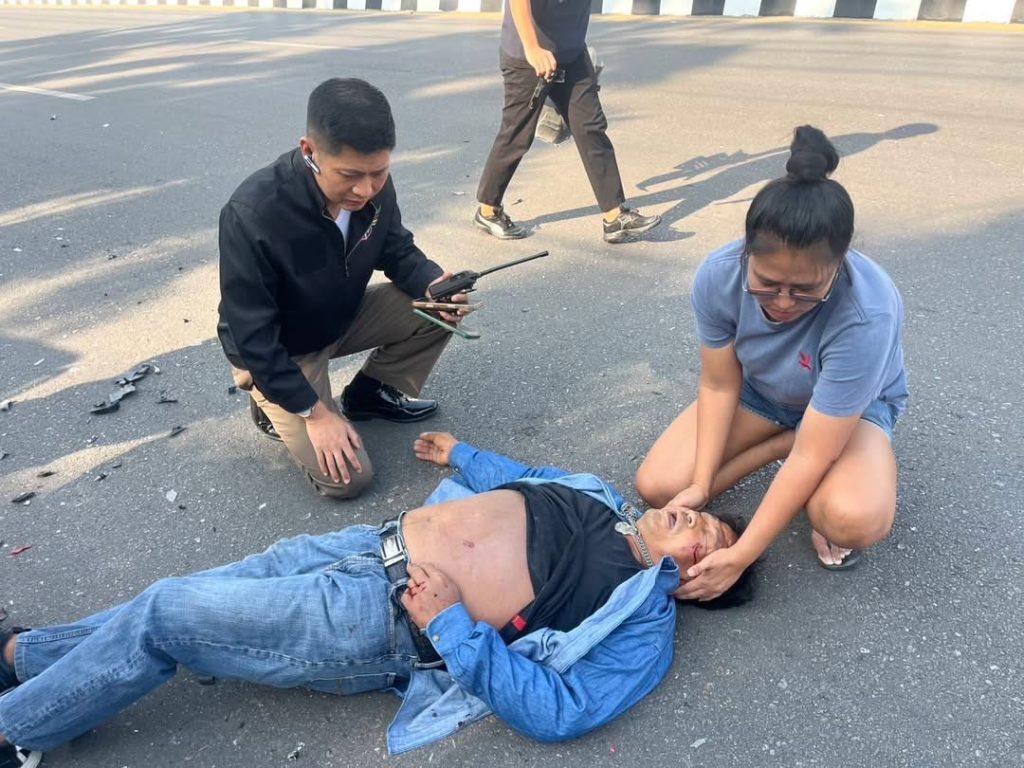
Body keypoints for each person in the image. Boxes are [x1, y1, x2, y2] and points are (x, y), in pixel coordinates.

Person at [0, 433, 755, 765]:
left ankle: (17, 729)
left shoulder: (643, 623)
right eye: (704, 515)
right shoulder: (599, 496)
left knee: (170, 613)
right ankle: (24, 658)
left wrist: (454, 627)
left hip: (382, 620)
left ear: (702, 580)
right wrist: (463, 455)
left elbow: (563, 711)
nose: (693, 520)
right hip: (364, 544)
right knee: (182, 602)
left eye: (708, 541)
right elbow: (527, 481)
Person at [636, 125, 908, 600]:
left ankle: (817, 476)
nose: (783, 302)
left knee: (850, 518)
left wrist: (741, 555)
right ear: (746, 252)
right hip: (763, 393)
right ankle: (782, 440)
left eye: (805, 289)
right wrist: (701, 484)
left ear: (840, 262)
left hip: (853, 412)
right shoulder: (719, 275)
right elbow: (720, 385)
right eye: (767, 282)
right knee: (660, 486)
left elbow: (813, 452)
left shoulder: (868, 312)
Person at [217, 78, 467, 500]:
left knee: (437, 309)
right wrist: (315, 414)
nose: (365, 190)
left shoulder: (373, 186)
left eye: (378, 172)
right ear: (309, 151)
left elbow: (397, 249)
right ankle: (269, 398)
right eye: (350, 175)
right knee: (349, 480)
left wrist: (435, 283)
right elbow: (252, 336)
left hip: (339, 316)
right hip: (280, 351)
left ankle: (369, 395)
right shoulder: (254, 213)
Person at [473, 0, 662, 244]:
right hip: (530, 56)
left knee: (591, 128)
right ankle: (488, 210)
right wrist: (532, 48)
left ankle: (614, 216)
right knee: (517, 134)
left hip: (572, 53)